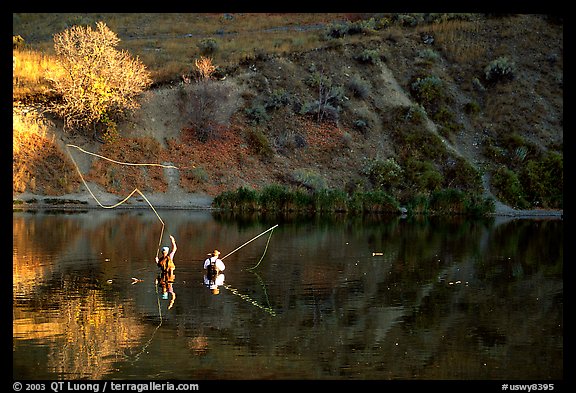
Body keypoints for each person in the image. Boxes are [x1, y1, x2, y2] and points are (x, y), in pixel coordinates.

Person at [155, 235, 177, 306]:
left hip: (170, 274)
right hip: (164, 274)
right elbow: (159, 265)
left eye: (165, 251)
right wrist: (157, 261)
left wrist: (172, 240)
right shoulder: (161, 259)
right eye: (163, 251)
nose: (164, 252)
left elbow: (174, 249)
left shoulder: (169, 257)